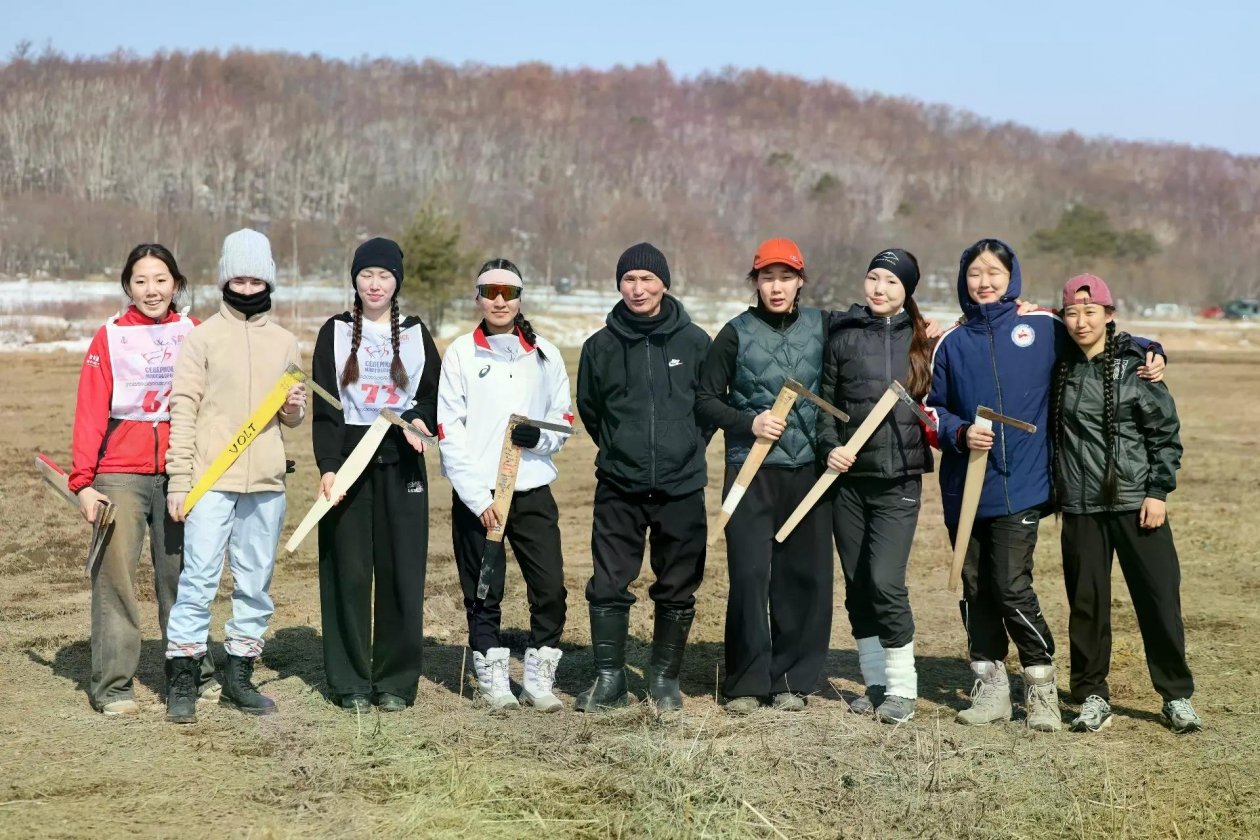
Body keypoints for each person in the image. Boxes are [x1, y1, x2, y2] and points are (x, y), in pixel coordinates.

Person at [928, 238, 1165, 732]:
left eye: (995, 271)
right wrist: (957, 431)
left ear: (1011, 276)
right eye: (975, 273)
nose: (984, 281)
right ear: (962, 280)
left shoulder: (1042, 326)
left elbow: (1098, 340)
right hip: (966, 490)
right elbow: (933, 408)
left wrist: (1151, 348)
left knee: (1012, 587)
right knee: (975, 588)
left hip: (1025, 486)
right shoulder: (951, 342)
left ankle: (1039, 686)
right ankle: (990, 685)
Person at [162, 228, 306, 724]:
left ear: (268, 280)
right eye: (238, 278)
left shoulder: (286, 342)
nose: (246, 287)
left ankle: (239, 674)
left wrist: (293, 409)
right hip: (209, 482)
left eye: (255, 278)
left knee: (255, 582)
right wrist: (179, 480)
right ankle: (183, 675)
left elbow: (290, 418)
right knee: (198, 578)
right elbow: (183, 409)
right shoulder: (201, 339)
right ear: (225, 278)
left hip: (265, 482)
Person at [68, 244, 217, 715]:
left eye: (160, 279)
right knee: (115, 578)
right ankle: (113, 685)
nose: (151, 290)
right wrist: (83, 482)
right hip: (120, 475)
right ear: (127, 286)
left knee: (185, 576)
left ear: (176, 283)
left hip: (181, 471)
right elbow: (90, 410)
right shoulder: (109, 336)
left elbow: (215, 404)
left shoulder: (195, 331)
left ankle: (194, 673)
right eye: (140, 281)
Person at [1052, 274, 1200, 734]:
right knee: (1087, 606)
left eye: (1090, 311)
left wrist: (1157, 492)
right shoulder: (1057, 364)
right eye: (1072, 313)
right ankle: (1092, 695)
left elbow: (1165, 435)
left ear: (1109, 315)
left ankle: (1176, 695)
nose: (1080, 322)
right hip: (1080, 507)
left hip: (1138, 504)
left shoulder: (1137, 365)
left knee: (1159, 600)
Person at [694, 238, 831, 714]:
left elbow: (878, 331)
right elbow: (706, 399)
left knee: (802, 576)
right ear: (755, 282)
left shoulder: (823, 325)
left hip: (810, 471)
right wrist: (748, 422)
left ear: (800, 281)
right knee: (750, 575)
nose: (777, 287)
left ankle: (791, 680)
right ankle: (748, 681)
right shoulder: (734, 333)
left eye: (786, 277)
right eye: (767, 278)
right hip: (750, 471)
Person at [575, 242, 712, 712]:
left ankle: (663, 678)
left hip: (681, 487)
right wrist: (621, 447)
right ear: (619, 285)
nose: (638, 289)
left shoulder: (695, 342)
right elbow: (592, 411)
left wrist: (685, 448)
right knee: (609, 582)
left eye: (647, 279)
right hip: (620, 484)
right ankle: (610, 679)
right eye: (629, 280)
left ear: (664, 284)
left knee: (677, 583)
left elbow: (708, 407)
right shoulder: (599, 347)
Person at [438, 259, 573, 711]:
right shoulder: (460, 353)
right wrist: (477, 498)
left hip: (532, 487)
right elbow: (448, 430)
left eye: (508, 292)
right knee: (483, 587)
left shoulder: (546, 353)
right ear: (477, 297)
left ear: (520, 298)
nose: (499, 300)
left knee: (550, 586)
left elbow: (563, 418)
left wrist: (544, 437)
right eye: (489, 291)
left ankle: (538, 677)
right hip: (480, 495)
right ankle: (493, 674)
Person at [311, 238, 439, 713]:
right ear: (355, 280)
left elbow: (432, 395)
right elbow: (325, 409)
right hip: (348, 465)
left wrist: (422, 421)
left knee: (401, 572)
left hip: (401, 462)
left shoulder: (416, 332)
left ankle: (395, 681)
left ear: (396, 282)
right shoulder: (335, 332)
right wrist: (327, 467)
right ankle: (348, 681)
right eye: (367, 275)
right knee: (347, 572)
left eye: (384, 276)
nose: (375, 283)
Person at [817, 248, 935, 724]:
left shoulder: (924, 339)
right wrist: (830, 445)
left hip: (898, 481)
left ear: (906, 290)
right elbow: (826, 403)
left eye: (890, 281)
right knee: (858, 584)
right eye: (873, 278)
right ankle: (877, 683)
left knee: (885, 581)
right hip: (848, 482)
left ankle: (904, 688)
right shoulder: (842, 335)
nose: (879, 288)